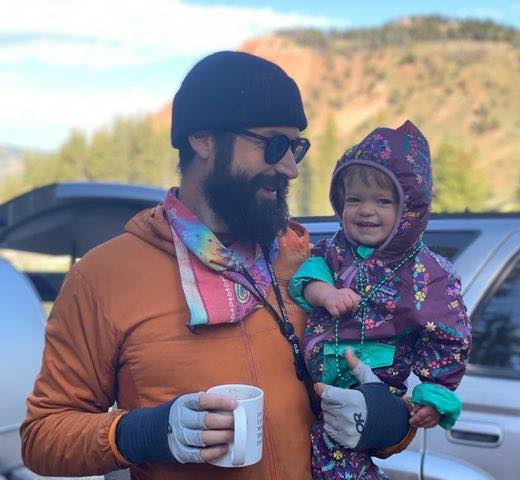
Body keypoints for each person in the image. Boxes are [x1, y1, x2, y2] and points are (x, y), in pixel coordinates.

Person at [20, 51, 414, 480]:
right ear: (203, 139)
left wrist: (387, 421)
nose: (290, 169)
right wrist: (143, 433)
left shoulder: (313, 265)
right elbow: (42, 437)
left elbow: (382, 406)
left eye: (296, 148)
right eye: (274, 145)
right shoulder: (104, 276)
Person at [288, 120, 472, 479]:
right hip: (310, 390)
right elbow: (306, 276)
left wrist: (434, 394)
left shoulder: (427, 274)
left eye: (382, 201)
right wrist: (326, 294)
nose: (365, 210)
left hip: (371, 390)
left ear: (409, 210)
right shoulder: (334, 249)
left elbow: (449, 337)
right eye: (354, 199)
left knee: (343, 464)